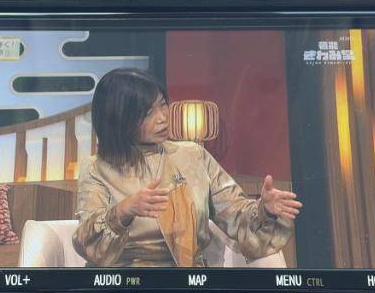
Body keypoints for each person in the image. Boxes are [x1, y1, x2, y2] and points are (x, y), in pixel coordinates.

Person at [72, 68, 301, 267]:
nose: (162, 118)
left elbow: (236, 214)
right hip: (125, 283)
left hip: (189, 282)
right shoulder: (96, 168)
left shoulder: (193, 155)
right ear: (119, 118)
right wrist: (124, 210)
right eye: (148, 113)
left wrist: (265, 212)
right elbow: (87, 244)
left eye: (163, 105)